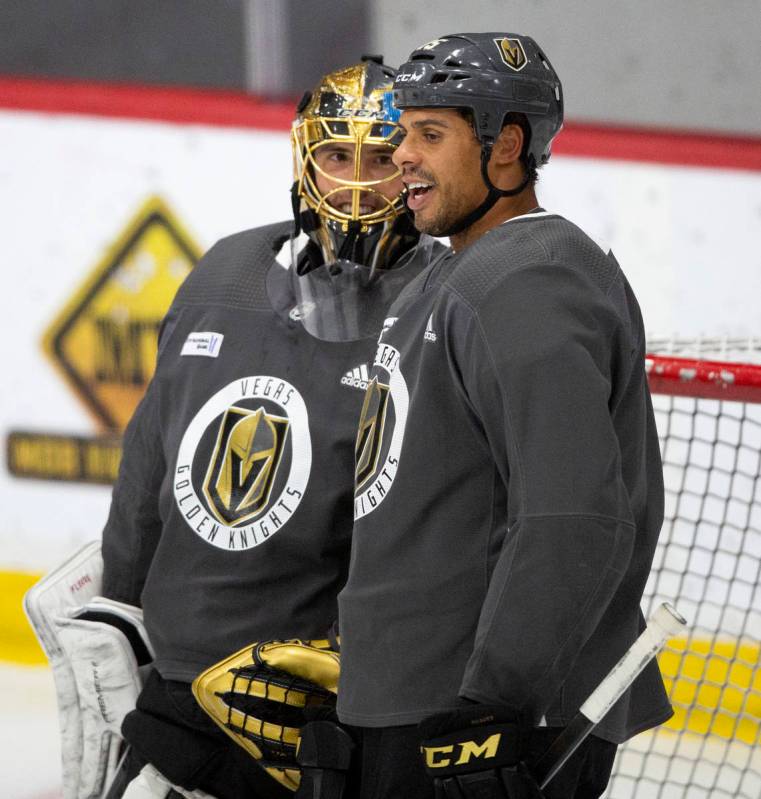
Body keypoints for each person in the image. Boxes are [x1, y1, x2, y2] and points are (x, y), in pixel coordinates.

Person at [336, 33, 673, 799]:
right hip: (423, 702)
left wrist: (496, 699)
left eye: (430, 134)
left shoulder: (527, 282)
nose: (400, 157)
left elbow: (574, 514)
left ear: (505, 147)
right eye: (400, 132)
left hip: (482, 723)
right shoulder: (457, 271)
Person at [94, 56, 438, 798]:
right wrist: (117, 606)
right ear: (302, 157)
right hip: (179, 688)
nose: (354, 182)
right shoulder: (225, 269)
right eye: (336, 155)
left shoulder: (446, 301)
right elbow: (150, 460)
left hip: (316, 705)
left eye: (380, 159)